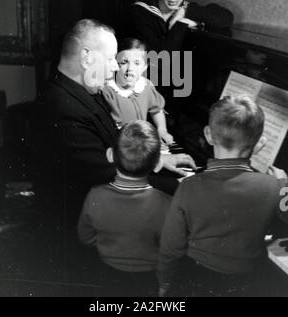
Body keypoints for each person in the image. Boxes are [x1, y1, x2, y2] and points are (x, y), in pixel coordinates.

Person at [32, 19, 196, 234]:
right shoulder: (62, 107)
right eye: (110, 59)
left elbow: (113, 141)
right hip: (84, 221)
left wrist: (156, 160)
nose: (115, 67)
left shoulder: (82, 91)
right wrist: (179, 187)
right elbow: (106, 175)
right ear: (87, 58)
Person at [157, 95, 288, 297]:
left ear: (208, 135)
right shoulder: (274, 186)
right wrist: (283, 183)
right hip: (246, 281)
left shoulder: (189, 186)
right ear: (260, 142)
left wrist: (165, 282)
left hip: (194, 277)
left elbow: (171, 245)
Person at [78, 120, 171, 296]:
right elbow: (169, 250)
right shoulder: (165, 203)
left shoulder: (95, 195)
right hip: (150, 275)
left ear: (110, 155)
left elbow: (86, 237)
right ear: (158, 163)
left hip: (107, 271)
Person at [102, 37, 173, 145]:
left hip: (141, 142)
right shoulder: (108, 90)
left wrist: (162, 129)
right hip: (120, 143)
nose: (130, 68)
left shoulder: (145, 86)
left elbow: (157, 110)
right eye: (124, 62)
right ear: (116, 64)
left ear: (144, 67)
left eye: (137, 63)